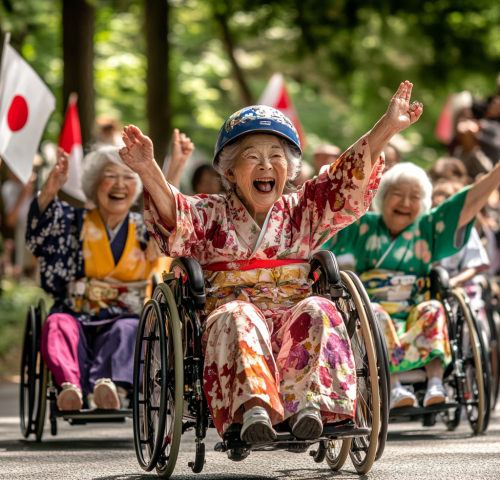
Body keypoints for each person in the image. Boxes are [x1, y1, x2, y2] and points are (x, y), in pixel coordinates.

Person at [118, 81, 423, 444]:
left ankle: (310, 408)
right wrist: (148, 168)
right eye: (252, 157)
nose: (266, 165)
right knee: (240, 315)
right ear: (229, 172)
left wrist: (387, 127)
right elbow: (176, 215)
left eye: (276, 156)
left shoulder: (303, 210)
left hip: (291, 318)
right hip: (229, 320)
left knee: (321, 307)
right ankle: (254, 410)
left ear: (289, 170)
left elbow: (344, 180)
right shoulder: (211, 213)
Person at [26, 143, 192, 412]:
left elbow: (167, 223)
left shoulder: (143, 227)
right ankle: (70, 386)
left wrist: (175, 167)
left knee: (128, 330)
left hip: (125, 314)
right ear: (93, 183)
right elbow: (38, 237)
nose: (120, 184)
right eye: (110, 176)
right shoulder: (72, 222)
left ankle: (109, 385)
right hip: (75, 312)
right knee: (56, 325)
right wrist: (50, 189)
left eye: (128, 177)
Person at [324, 158, 500, 409]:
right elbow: (328, 223)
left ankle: (436, 383)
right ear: (383, 197)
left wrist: (496, 173)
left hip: (414, 310)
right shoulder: (364, 225)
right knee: (374, 315)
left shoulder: (429, 227)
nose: (406, 203)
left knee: (435, 309)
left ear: (423, 205)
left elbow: (466, 203)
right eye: (397, 194)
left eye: (414, 197)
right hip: (374, 306)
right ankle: (394, 386)